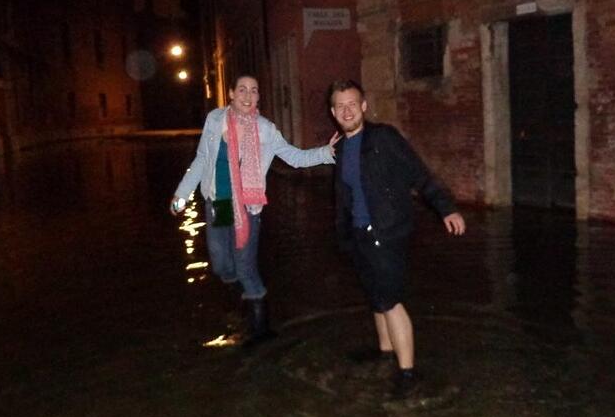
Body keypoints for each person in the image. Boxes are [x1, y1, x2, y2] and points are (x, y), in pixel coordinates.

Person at [171, 74, 339, 346]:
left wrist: (325, 153)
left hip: (248, 206)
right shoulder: (215, 120)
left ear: (259, 96)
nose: (248, 96)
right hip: (220, 202)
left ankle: (260, 330)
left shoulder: (265, 130)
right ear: (231, 94)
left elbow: (294, 157)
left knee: (246, 267)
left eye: (254, 90)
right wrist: (182, 193)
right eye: (242, 90)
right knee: (221, 263)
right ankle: (243, 294)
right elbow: (202, 159)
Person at [328, 79, 466, 398]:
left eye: (353, 104)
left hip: (387, 232)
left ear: (363, 106)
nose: (348, 110)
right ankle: (385, 352)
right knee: (375, 295)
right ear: (334, 112)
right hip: (359, 235)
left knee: (390, 300)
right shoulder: (339, 147)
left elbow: (419, 173)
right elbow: (345, 196)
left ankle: (407, 373)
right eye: (341, 106)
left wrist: (447, 209)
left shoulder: (383, 138)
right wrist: (343, 235)